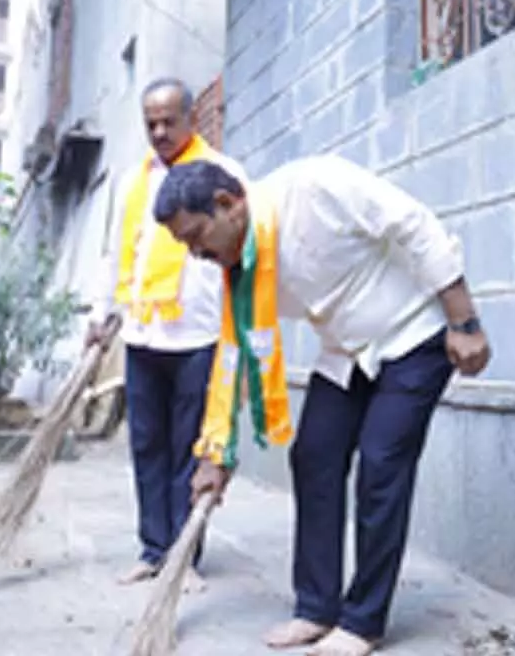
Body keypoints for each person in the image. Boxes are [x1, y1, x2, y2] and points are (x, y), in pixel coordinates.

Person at [152, 156, 492, 656]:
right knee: (314, 456)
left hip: (414, 334)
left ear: (228, 204)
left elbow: (414, 224)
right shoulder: (236, 268)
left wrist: (464, 322)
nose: (196, 253)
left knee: (381, 464)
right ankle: (316, 608)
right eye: (185, 245)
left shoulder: (315, 186)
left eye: (196, 236)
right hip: (346, 352)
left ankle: (364, 620)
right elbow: (232, 354)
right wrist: (215, 450)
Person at [86, 76, 247, 591]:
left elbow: (239, 253)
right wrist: (101, 312)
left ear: (191, 120)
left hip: (199, 336)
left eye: (168, 121)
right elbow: (117, 250)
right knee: (147, 445)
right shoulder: (132, 181)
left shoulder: (225, 175)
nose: (158, 131)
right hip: (143, 334)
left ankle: (185, 556)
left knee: (187, 449)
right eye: (150, 123)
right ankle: (153, 548)